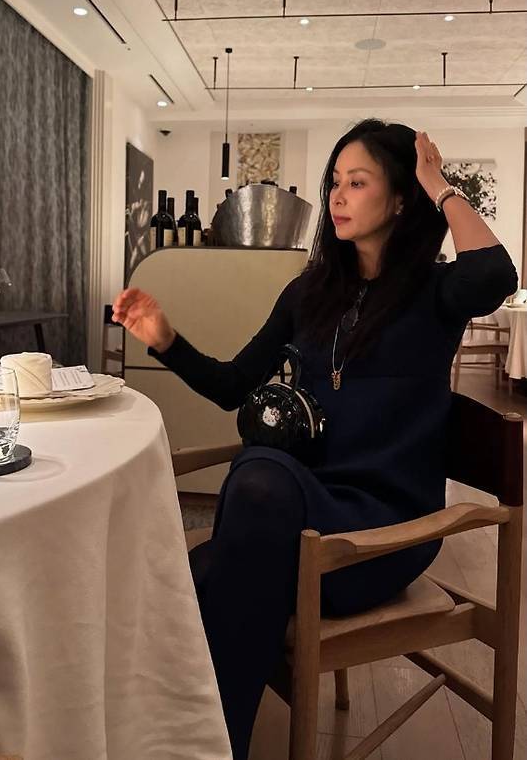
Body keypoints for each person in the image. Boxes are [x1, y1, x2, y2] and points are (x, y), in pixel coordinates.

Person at [112, 119, 517, 760]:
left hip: (383, 533)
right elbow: (232, 385)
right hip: (298, 519)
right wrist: (165, 339)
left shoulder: (435, 291)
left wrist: (436, 181)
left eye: (358, 183)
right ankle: (194, 743)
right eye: (334, 182)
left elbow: (496, 273)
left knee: (219, 549)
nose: (337, 196)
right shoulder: (310, 292)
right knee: (237, 516)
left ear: (401, 198)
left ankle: (196, 743)